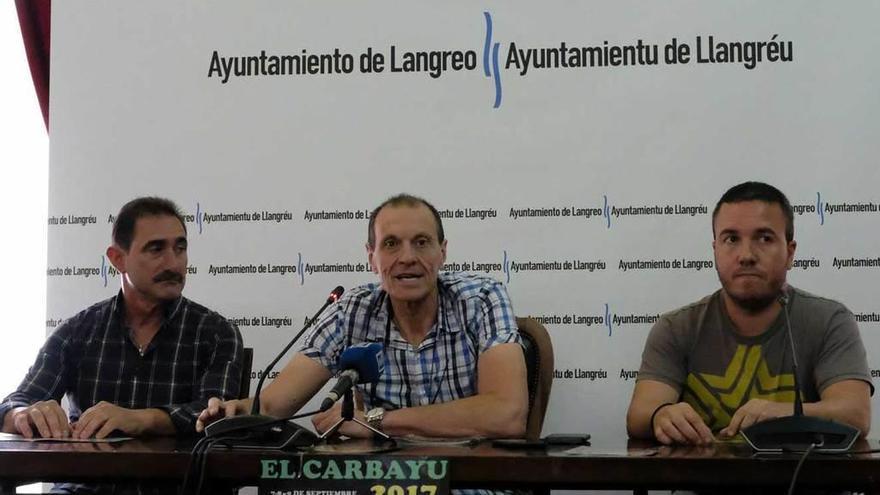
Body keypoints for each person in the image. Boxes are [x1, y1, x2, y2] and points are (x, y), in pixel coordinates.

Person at [198, 193, 527, 440]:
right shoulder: (352, 311)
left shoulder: (481, 298)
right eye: (391, 244)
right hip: (381, 483)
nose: (408, 257)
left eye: (422, 242)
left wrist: (374, 420)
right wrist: (235, 412)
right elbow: (271, 407)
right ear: (372, 258)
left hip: (474, 482)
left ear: (442, 252)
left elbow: (507, 415)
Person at [626, 182, 872, 445]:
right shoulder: (677, 327)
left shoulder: (829, 321)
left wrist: (784, 413)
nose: (746, 255)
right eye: (731, 239)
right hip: (704, 484)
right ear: (715, 251)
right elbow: (639, 415)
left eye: (764, 238)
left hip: (803, 483)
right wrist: (661, 415)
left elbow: (855, 414)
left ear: (790, 253)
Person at [0, 197, 243, 441]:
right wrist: (24, 414)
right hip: (85, 477)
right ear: (118, 259)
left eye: (180, 248)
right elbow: (14, 405)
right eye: (156, 249)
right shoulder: (78, 331)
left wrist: (141, 419)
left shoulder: (216, 333)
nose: (173, 262)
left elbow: (218, 413)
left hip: (179, 477)